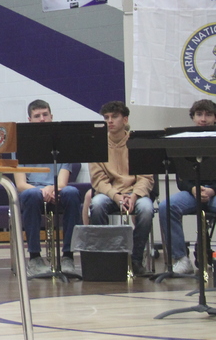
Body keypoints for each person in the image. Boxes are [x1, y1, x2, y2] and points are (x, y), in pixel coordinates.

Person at [15, 100, 83, 277]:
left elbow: (63, 182)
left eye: (45, 115)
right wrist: (42, 191)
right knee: (30, 194)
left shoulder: (63, 144)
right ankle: (35, 258)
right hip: (33, 190)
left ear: (51, 117)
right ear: (29, 120)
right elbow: (20, 184)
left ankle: (68, 256)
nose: (42, 119)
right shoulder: (20, 144)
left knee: (72, 193)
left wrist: (51, 189)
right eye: (37, 116)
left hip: (57, 189)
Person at [89, 100, 153, 276]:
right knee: (97, 204)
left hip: (134, 194)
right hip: (110, 194)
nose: (110, 121)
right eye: (106, 117)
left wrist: (135, 195)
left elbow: (146, 177)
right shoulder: (97, 144)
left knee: (146, 209)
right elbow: (98, 179)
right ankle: (105, 259)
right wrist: (116, 196)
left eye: (114, 117)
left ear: (125, 120)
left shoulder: (137, 142)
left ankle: (136, 259)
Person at [158, 99, 216, 276]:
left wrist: (212, 190)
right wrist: (193, 189)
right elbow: (181, 178)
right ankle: (181, 259)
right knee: (166, 206)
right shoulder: (184, 139)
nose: (203, 119)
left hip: (214, 192)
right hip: (193, 192)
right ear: (193, 117)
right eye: (199, 114)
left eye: (208, 115)